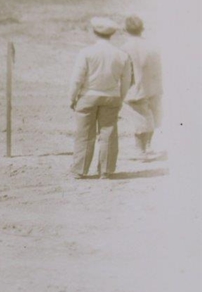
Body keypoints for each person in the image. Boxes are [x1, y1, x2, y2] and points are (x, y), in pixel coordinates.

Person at [69, 17, 132, 179]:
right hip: (111, 97)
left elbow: (77, 79)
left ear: (94, 32)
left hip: (87, 96)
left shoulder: (86, 52)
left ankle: (80, 170)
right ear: (112, 34)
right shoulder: (122, 55)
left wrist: (72, 97)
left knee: (84, 134)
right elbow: (126, 81)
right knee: (108, 133)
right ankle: (106, 170)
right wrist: (120, 98)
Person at [120, 16, 164, 157]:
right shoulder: (152, 46)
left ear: (125, 30)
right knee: (150, 117)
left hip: (135, 88)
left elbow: (124, 71)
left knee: (139, 120)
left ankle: (140, 150)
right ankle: (148, 146)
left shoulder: (125, 48)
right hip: (153, 87)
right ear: (142, 29)